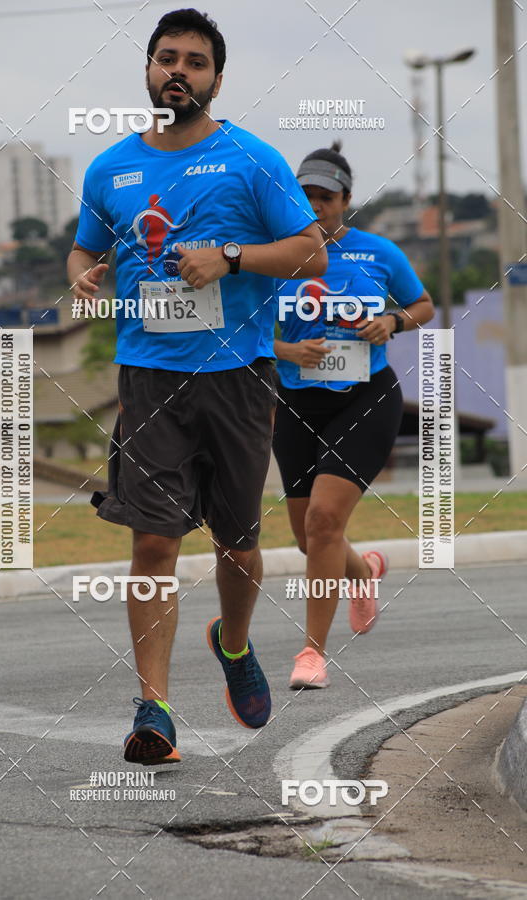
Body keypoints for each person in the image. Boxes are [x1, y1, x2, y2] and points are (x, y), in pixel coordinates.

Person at [67, 9, 326, 763]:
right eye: (166, 58)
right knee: (153, 541)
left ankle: (234, 643)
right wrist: (83, 275)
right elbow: (84, 248)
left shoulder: (252, 159)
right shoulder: (109, 168)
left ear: (216, 78)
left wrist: (232, 258)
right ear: (149, 69)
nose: (178, 70)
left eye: (195, 61)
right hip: (150, 378)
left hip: (238, 377)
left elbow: (311, 252)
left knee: (237, 547)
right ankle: (153, 710)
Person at [272, 143, 434, 690]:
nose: (316, 205)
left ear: (346, 200)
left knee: (323, 522)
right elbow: (243, 332)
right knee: (307, 537)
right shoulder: (276, 257)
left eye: (327, 196)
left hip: (366, 397)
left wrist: (392, 321)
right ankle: (363, 573)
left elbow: (423, 305)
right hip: (296, 401)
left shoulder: (378, 252)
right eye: (306, 196)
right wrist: (286, 350)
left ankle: (312, 654)